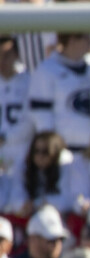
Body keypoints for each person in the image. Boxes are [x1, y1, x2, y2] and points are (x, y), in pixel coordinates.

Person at [26, 32, 90, 152]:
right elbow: (40, 112)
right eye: (86, 37)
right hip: (64, 151)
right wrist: (51, 145)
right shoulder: (47, 70)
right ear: (72, 40)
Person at [0, 34, 33, 175]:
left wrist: (6, 138)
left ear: (17, 55)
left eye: (6, 55)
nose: (2, 61)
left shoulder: (29, 82)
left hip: (22, 150)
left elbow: (30, 120)